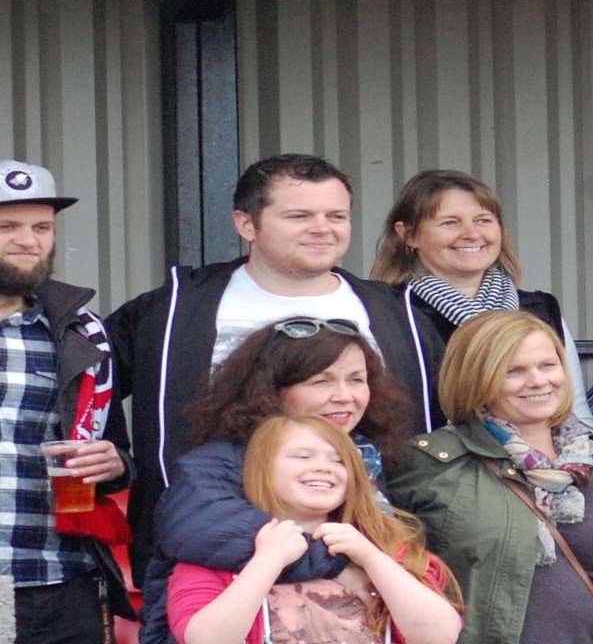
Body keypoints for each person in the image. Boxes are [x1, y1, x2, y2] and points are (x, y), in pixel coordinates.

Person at [108, 153, 443, 576]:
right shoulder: (173, 308)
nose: (323, 228)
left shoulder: (399, 312)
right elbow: (81, 383)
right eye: (300, 215)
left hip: (373, 552)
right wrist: (115, 458)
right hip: (209, 554)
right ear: (246, 224)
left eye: (336, 215)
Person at [138, 317, 425, 644]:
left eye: (357, 380)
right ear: (271, 391)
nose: (345, 396)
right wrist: (349, 561)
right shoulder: (213, 465)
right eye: (321, 382)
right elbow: (219, 535)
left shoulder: (369, 459)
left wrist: (374, 560)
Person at [387, 311, 593, 644]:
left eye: (548, 365)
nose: (538, 381)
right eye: (513, 371)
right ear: (475, 379)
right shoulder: (430, 463)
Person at [166, 415, 463, 644]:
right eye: (302, 456)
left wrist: (374, 559)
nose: (324, 467)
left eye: (338, 461)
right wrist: (266, 562)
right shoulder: (213, 557)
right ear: (261, 469)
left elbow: (439, 636)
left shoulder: (388, 551)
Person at [0, 159, 136, 642]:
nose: (28, 240)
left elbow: (116, 451)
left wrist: (114, 462)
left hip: (64, 577)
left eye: (42, 227)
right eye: (7, 226)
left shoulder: (82, 332)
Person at [372, 169, 593, 425]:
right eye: (450, 222)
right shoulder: (387, 313)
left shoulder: (539, 309)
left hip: (538, 462)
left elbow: (574, 408)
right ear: (409, 235)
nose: (472, 234)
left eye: (483, 220)